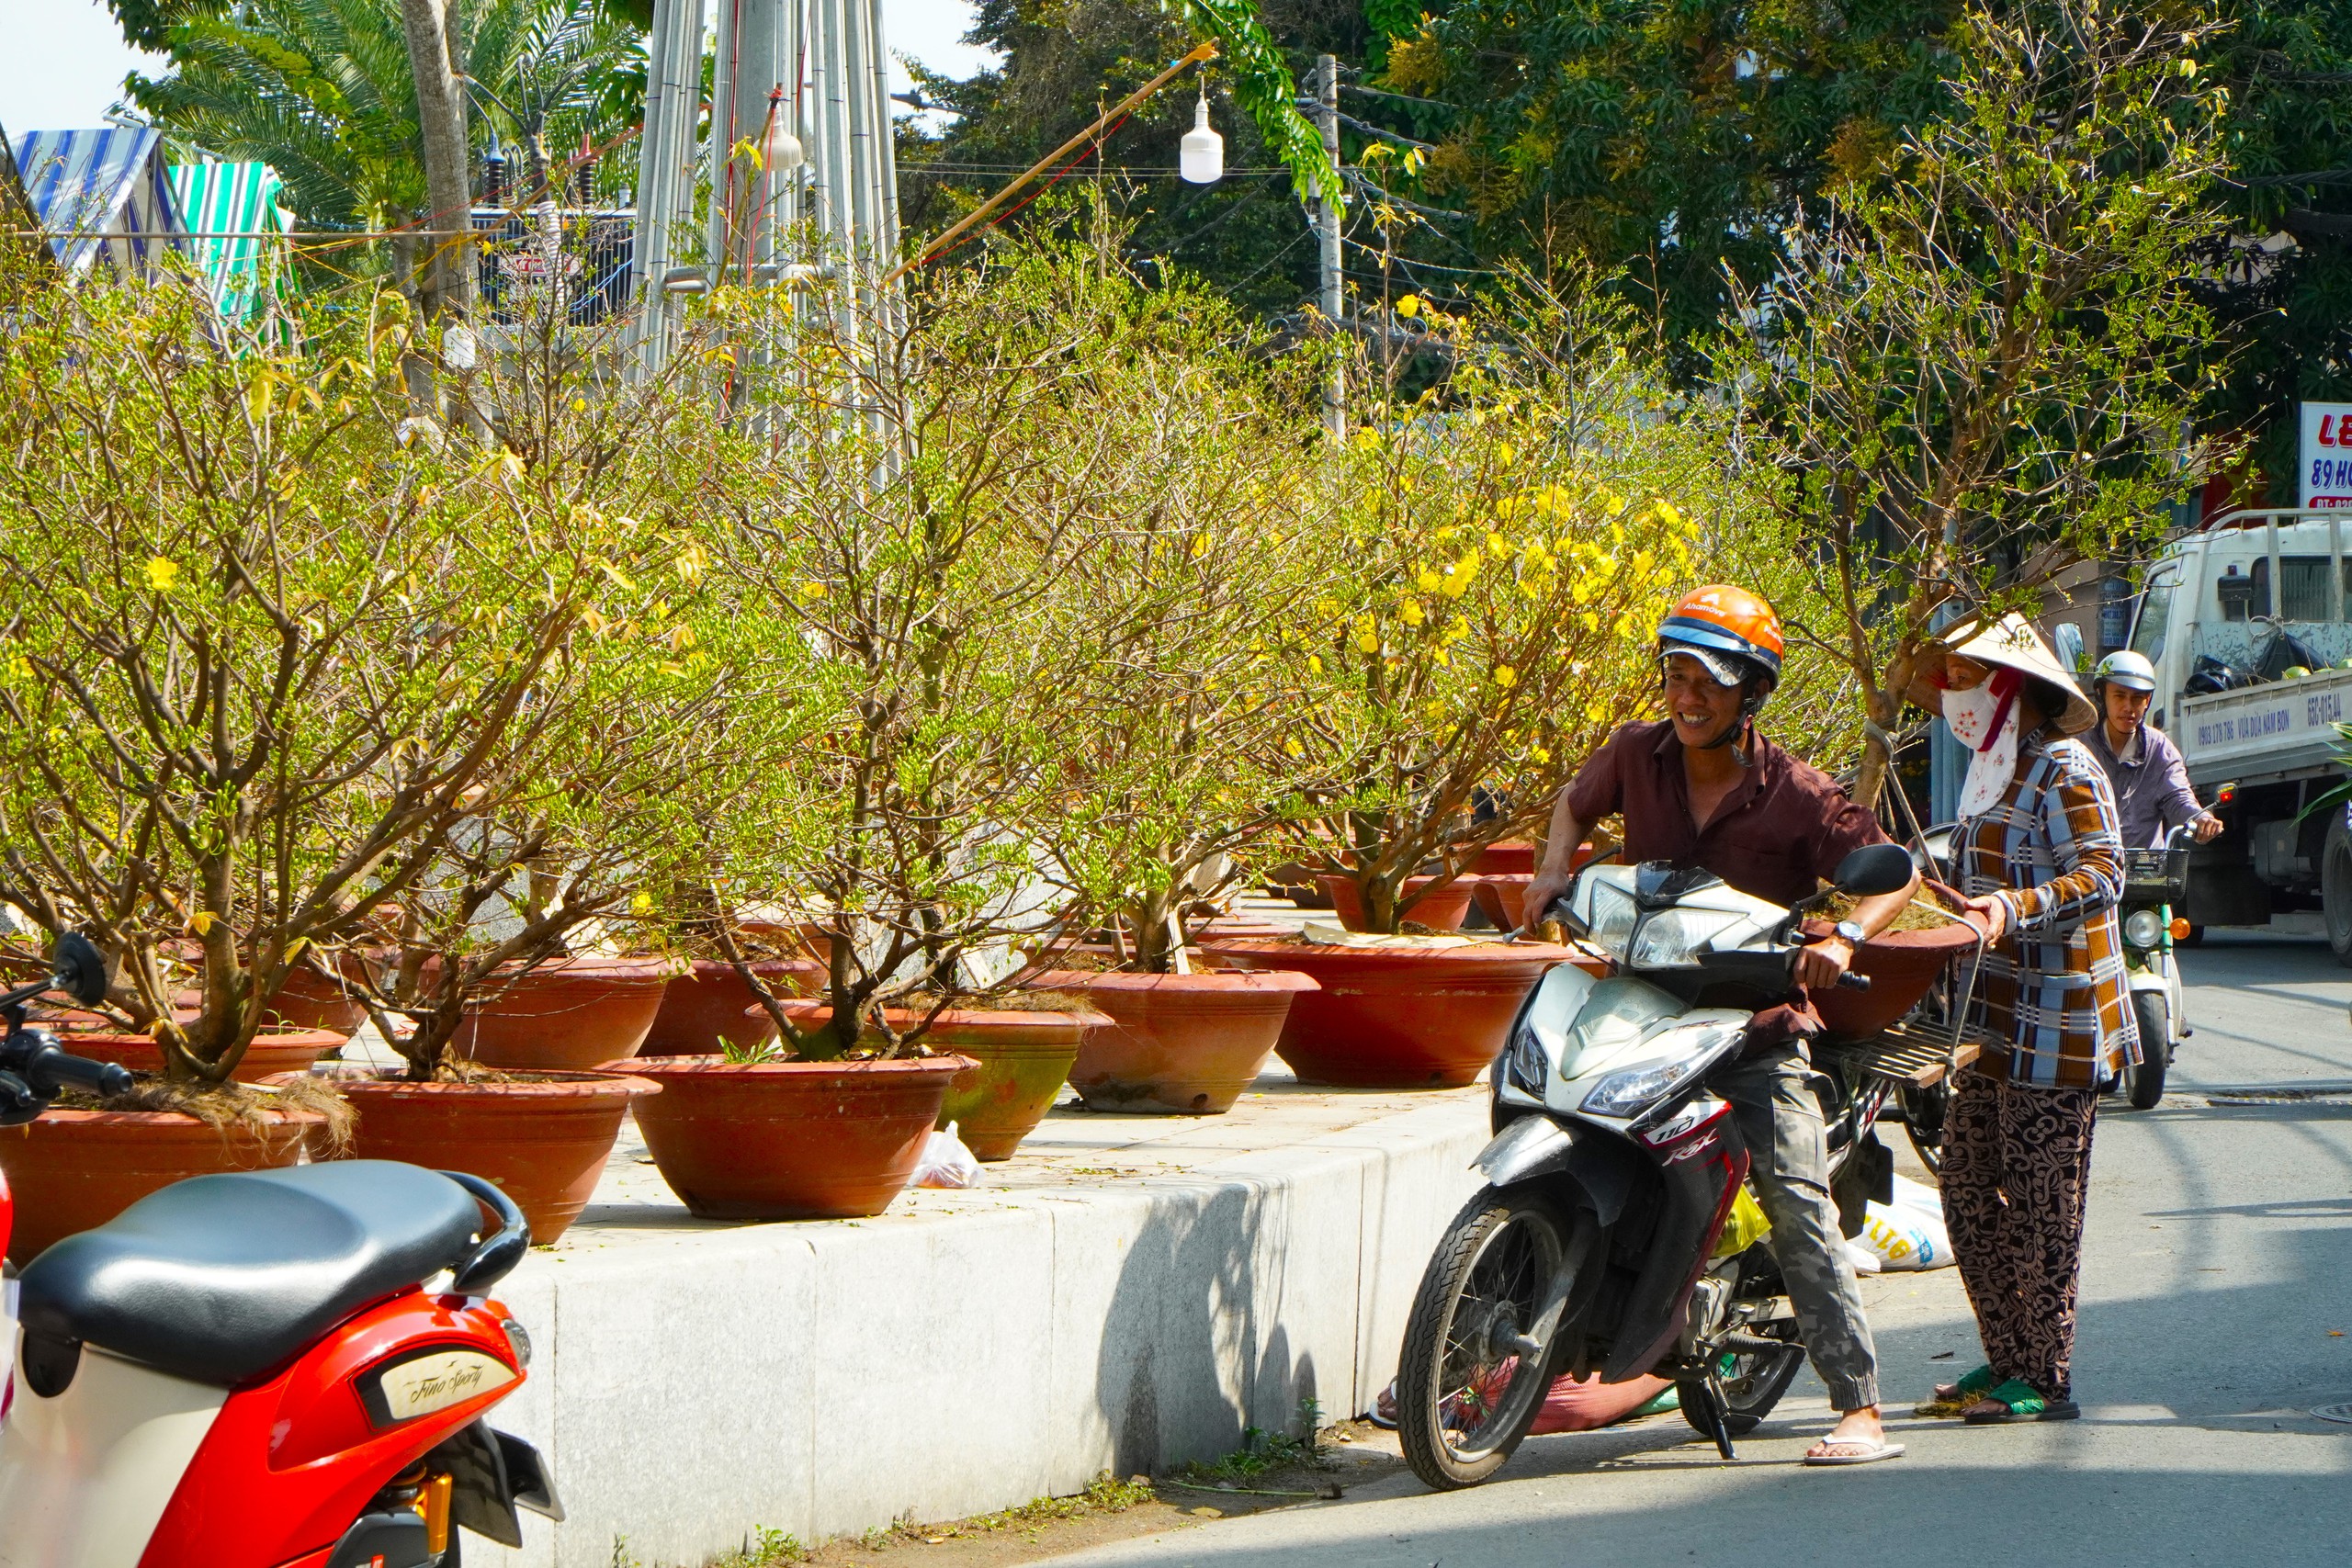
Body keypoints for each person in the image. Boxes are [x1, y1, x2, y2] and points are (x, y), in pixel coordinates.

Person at [1521, 583, 1920, 1467]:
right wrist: (1553, 872)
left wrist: (1847, 932)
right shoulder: (1635, 753)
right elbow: (1573, 804)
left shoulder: (1800, 794)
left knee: (1796, 1202)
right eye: (1675, 674)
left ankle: (1860, 1404)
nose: (1687, 695)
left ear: (1750, 690)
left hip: (1753, 1027)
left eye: (1708, 678)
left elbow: (1894, 873)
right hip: (1641, 1004)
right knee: (1557, 1127)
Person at [1909, 615, 2138, 1425]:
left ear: (2007, 687)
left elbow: (2105, 873)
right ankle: (2006, 1356)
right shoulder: (1990, 771)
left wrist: (2012, 906)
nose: (1954, 695)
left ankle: (2045, 1377)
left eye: (1968, 678)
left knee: (2045, 1207)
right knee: (1967, 1189)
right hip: (1991, 1026)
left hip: (2059, 1024)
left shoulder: (2065, 766)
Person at [2083, 650, 2221, 850]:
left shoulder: (2160, 749)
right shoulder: (2080, 746)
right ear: (2101, 695)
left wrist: (2201, 819)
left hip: (2145, 872)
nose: (2128, 707)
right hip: (2090, 868)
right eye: (2119, 696)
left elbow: (2179, 797)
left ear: (2148, 701)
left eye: (2138, 698)